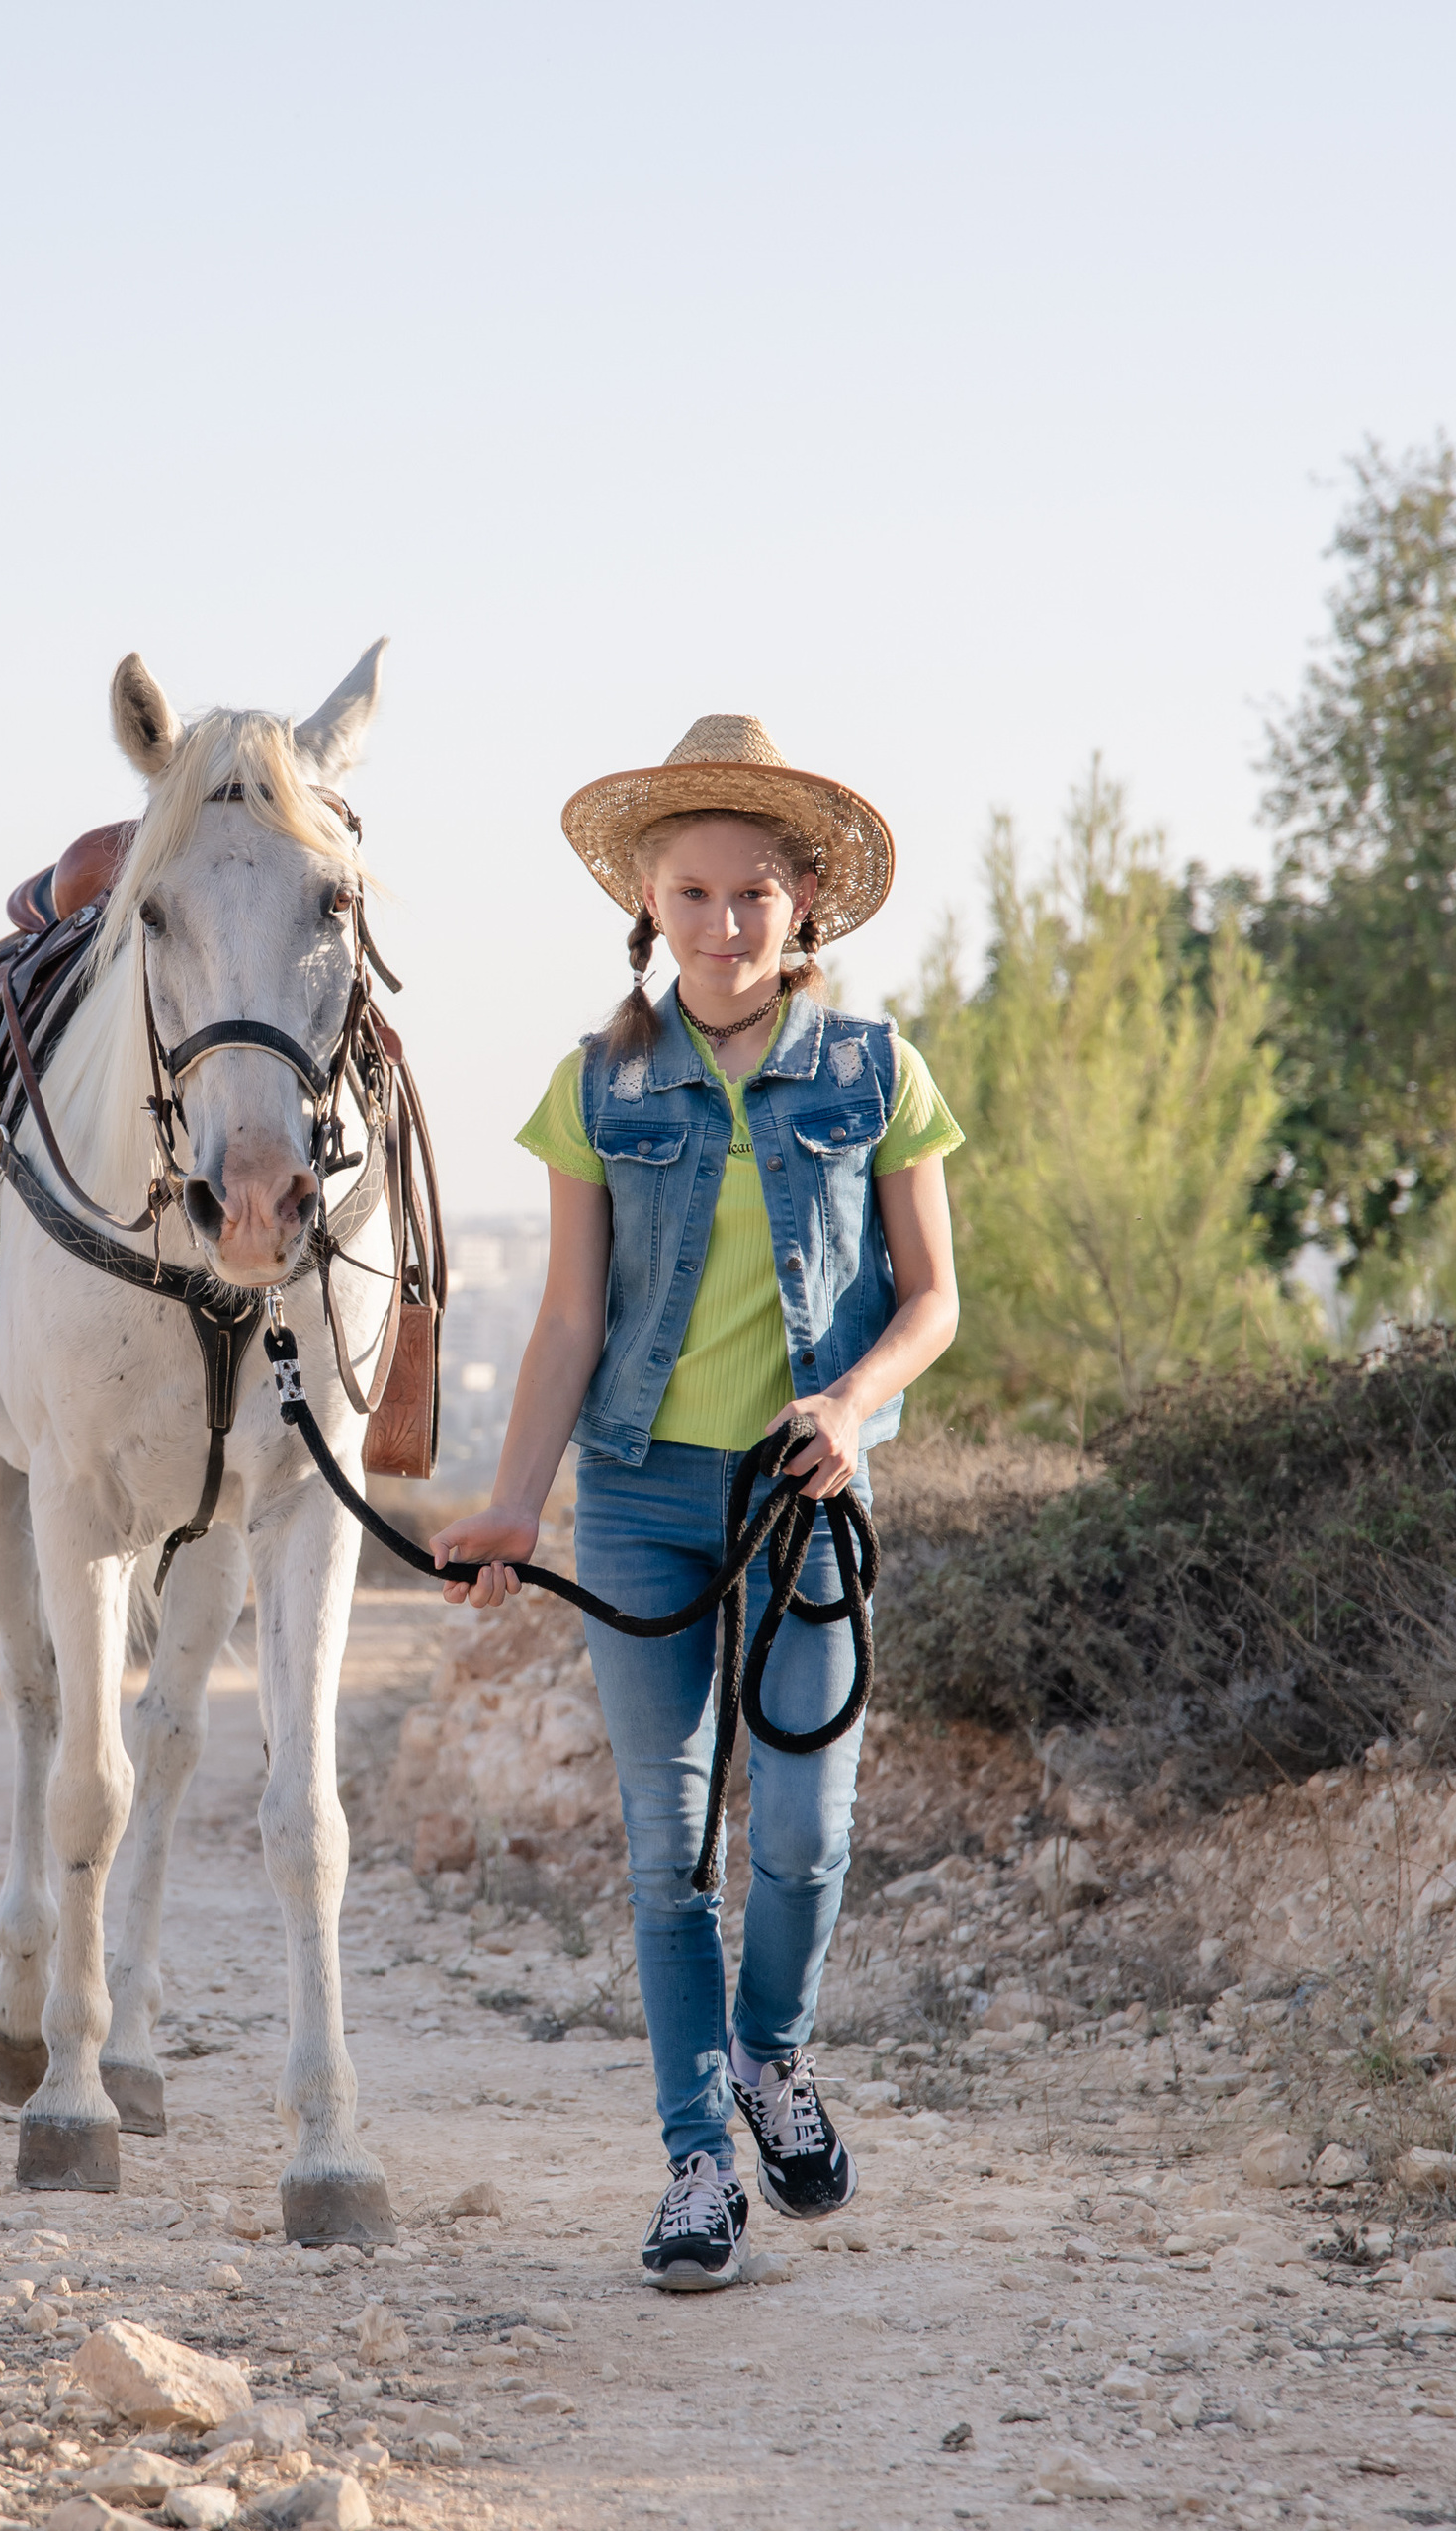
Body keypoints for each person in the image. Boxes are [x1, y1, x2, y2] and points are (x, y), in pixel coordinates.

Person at [430, 715, 962, 2291]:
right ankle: (693, 2164)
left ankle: (770, 2053)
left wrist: (852, 1410)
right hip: (646, 1496)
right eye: (692, 894)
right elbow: (571, 1324)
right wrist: (517, 1509)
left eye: (752, 893)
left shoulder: (876, 1072)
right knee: (670, 1852)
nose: (724, 923)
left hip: (806, 1494)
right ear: (649, 909)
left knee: (803, 1834)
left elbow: (932, 1303)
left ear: (804, 903)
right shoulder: (598, 1085)